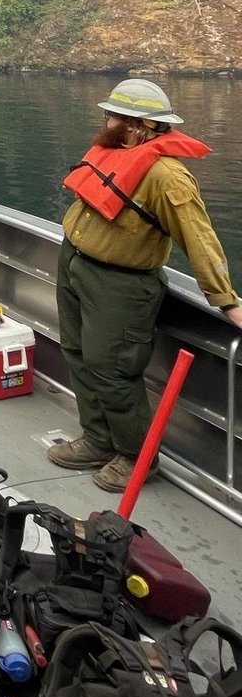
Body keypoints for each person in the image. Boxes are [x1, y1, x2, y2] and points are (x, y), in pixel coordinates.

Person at [46, 78, 242, 492]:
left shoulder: (167, 176)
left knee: (113, 369)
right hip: (76, 265)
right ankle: (98, 439)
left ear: (139, 126)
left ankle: (136, 456)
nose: (105, 120)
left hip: (121, 285)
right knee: (77, 352)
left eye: (113, 116)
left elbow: (199, 238)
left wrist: (226, 300)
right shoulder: (116, 153)